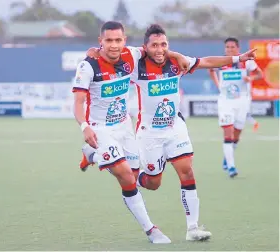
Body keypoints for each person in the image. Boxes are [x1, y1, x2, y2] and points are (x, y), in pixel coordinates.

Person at [83, 24, 257, 241]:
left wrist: (238, 59)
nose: (159, 49)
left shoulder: (177, 61)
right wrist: (92, 50)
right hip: (149, 134)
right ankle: (108, 161)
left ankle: (193, 228)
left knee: (187, 172)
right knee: (153, 184)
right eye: (154, 45)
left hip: (175, 127)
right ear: (145, 47)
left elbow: (207, 62)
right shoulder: (135, 65)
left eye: (164, 44)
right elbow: (108, 54)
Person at [73, 21, 190, 244]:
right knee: (126, 177)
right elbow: (78, 102)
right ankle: (151, 230)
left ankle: (92, 154)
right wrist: (84, 126)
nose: (114, 45)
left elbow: (157, 49)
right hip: (100, 129)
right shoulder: (87, 66)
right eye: (108, 40)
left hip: (125, 126)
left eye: (118, 40)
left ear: (124, 41)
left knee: (135, 177)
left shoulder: (132, 55)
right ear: (101, 42)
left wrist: (178, 55)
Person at [208, 37, 263, 177]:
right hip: (226, 102)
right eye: (227, 47)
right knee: (228, 133)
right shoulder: (221, 61)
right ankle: (232, 167)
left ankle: (228, 156)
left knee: (237, 133)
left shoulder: (246, 61)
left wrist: (250, 78)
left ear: (238, 48)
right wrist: (218, 85)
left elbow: (260, 74)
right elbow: (211, 70)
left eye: (232, 47)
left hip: (242, 101)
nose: (230, 49)